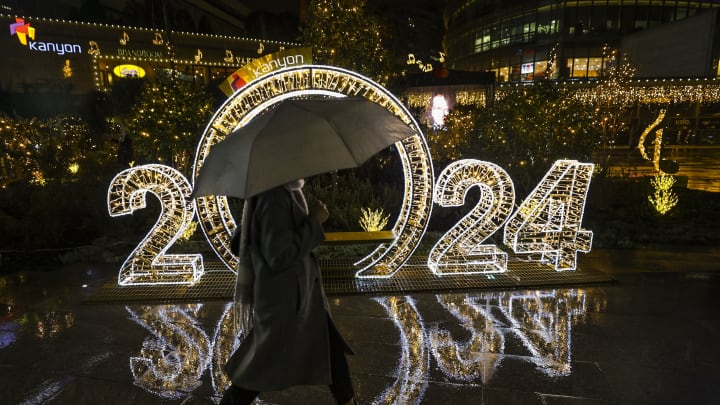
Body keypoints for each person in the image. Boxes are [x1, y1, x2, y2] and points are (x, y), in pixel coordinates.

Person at [220, 179, 357, 405]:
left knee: (331, 351)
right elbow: (279, 255)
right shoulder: (274, 196)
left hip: (299, 296)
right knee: (257, 368)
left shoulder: (285, 190)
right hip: (286, 300)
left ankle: (348, 400)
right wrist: (314, 221)